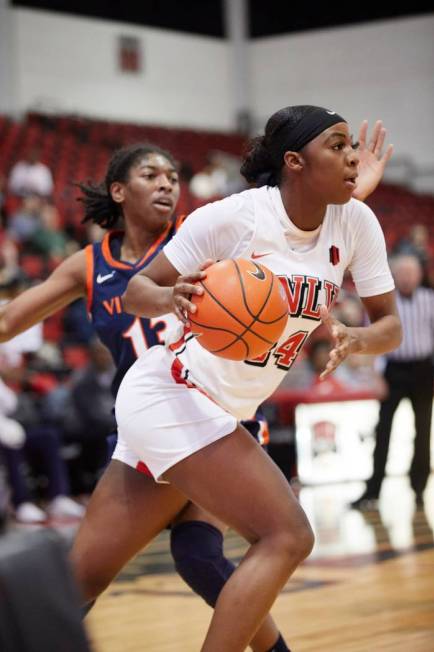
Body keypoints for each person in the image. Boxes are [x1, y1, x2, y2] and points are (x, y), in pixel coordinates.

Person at [70, 105, 399, 652]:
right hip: (173, 390)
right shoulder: (235, 217)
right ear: (294, 161)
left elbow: (389, 326)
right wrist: (170, 296)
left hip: (223, 410)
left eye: (351, 147)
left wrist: (360, 338)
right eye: (337, 145)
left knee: (82, 577)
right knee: (288, 534)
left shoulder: (355, 222)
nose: (352, 157)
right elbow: (134, 291)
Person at [0, 142, 292, 651]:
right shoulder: (89, 266)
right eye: (151, 174)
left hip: (213, 415)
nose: (167, 184)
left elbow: (286, 234)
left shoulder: (202, 239)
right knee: (152, 565)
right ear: (119, 190)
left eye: (173, 176)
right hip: (143, 429)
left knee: (193, 556)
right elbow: (8, 321)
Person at [351, 253, 434, 511]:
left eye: (412, 272)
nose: (408, 277)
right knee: (383, 431)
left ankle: (419, 490)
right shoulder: (384, 304)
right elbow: (372, 341)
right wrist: (376, 377)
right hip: (394, 372)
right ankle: (373, 491)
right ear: (394, 275)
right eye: (403, 272)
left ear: (419, 275)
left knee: (423, 433)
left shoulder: (430, 300)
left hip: (423, 370)